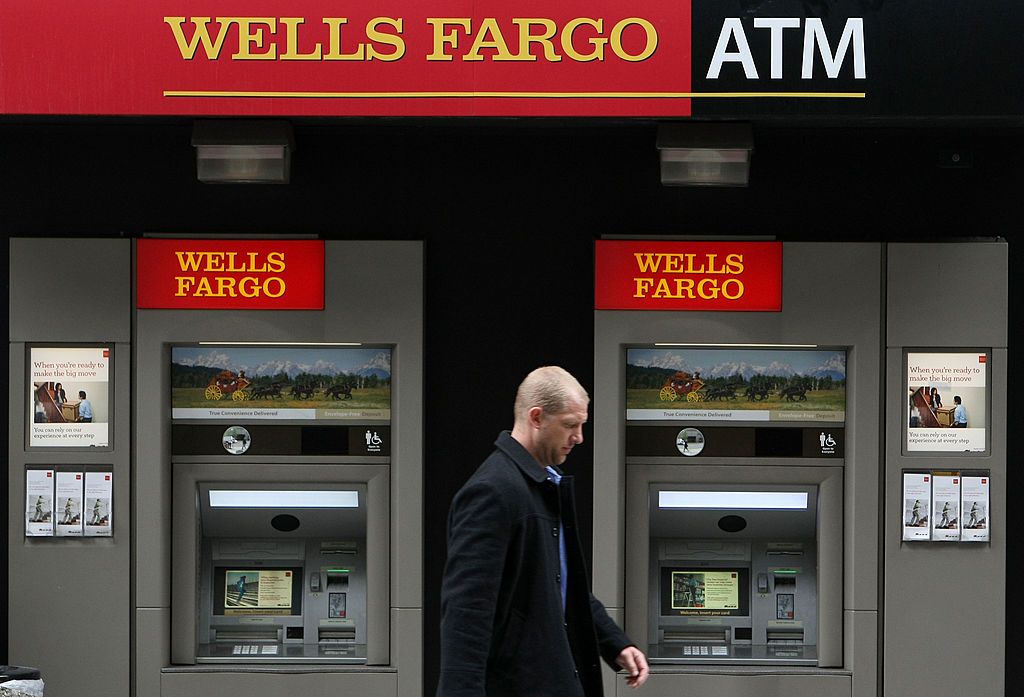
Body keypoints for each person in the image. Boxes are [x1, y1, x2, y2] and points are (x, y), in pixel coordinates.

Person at [437, 366, 648, 697]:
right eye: (570, 425)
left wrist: (614, 642)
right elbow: (466, 613)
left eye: (582, 425)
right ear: (536, 417)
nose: (579, 437)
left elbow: (560, 586)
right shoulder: (493, 491)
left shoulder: (541, 484)